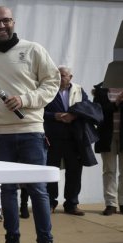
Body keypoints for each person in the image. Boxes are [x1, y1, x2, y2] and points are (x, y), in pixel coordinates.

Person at [0, 6, 59, 243]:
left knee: (38, 190)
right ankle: (11, 241)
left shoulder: (34, 50)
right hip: (1, 135)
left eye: (5, 21)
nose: (1, 26)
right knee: (9, 190)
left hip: (31, 132)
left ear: (13, 22)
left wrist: (25, 99)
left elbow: (52, 81)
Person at [44, 66, 92, 215]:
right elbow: (39, 111)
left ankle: (71, 204)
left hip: (74, 138)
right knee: (51, 172)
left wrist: (75, 115)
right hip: (53, 138)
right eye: (57, 75)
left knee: (74, 172)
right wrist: (55, 116)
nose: (60, 77)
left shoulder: (78, 89)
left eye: (63, 75)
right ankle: (50, 203)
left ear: (70, 77)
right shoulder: (48, 90)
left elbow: (87, 107)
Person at [93, 82, 123, 215]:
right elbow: (98, 112)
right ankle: (111, 203)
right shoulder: (100, 90)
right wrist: (116, 102)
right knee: (109, 170)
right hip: (107, 136)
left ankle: (122, 202)